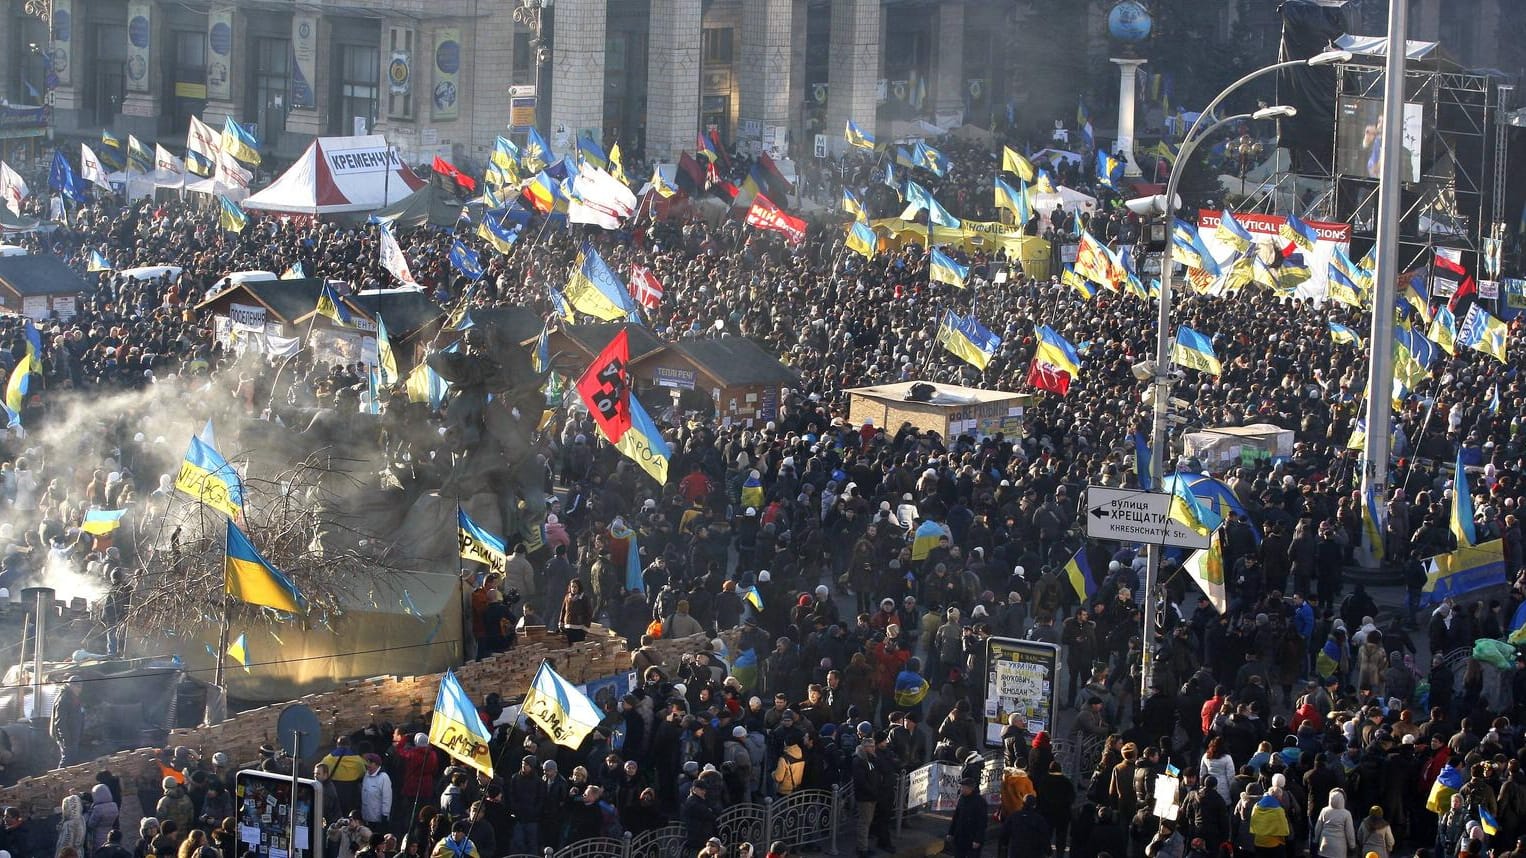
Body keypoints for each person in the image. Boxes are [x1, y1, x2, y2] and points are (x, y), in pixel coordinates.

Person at [948, 775, 988, 858]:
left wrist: (978, 840)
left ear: (970, 788)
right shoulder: (961, 799)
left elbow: (982, 822)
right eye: (961, 787)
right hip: (960, 836)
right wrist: (951, 832)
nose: (961, 789)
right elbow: (956, 817)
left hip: (972, 837)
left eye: (963, 787)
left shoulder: (979, 802)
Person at [560, 579, 593, 644]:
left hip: (579, 628)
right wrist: (561, 623)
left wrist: (586, 627)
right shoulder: (567, 597)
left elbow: (589, 613)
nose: (573, 589)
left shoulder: (584, 598)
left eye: (575, 587)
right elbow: (563, 611)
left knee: (578, 648)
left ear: (579, 587)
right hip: (568, 627)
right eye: (572, 587)